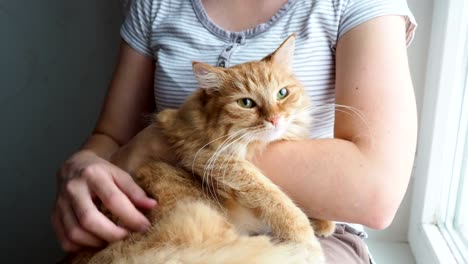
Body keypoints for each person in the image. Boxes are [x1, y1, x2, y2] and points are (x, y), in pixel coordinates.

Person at [51, 0, 418, 263]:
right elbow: (112, 137)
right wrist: (82, 165)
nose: (272, 115)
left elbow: (376, 192)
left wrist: (178, 144)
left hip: (315, 227)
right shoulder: (155, 5)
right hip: (161, 213)